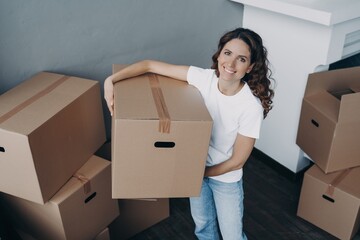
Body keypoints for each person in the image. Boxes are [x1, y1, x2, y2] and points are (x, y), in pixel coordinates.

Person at [104, 27, 274, 240]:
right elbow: (149, 65)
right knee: (203, 228)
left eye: (241, 59)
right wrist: (110, 80)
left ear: (250, 67)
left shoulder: (250, 107)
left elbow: (237, 162)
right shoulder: (204, 78)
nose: (230, 64)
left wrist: (196, 174)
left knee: (232, 236)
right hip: (197, 169)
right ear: (219, 54)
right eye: (227, 53)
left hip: (225, 179)